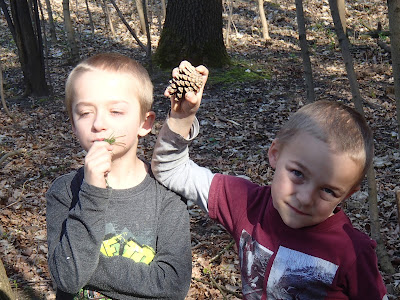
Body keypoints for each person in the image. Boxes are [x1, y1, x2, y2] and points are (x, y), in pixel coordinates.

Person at [151, 61, 388, 299]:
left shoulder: (352, 252)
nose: (305, 198)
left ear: (348, 194)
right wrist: (182, 118)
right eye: (297, 174)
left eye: (328, 191)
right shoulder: (244, 203)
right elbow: (171, 171)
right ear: (275, 154)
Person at [46, 53, 192, 300]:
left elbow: (172, 285)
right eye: (85, 113)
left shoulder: (167, 195)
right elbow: (68, 277)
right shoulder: (65, 191)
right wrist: (92, 191)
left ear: (145, 123)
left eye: (115, 111)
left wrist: (87, 265)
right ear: (73, 124)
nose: (99, 124)